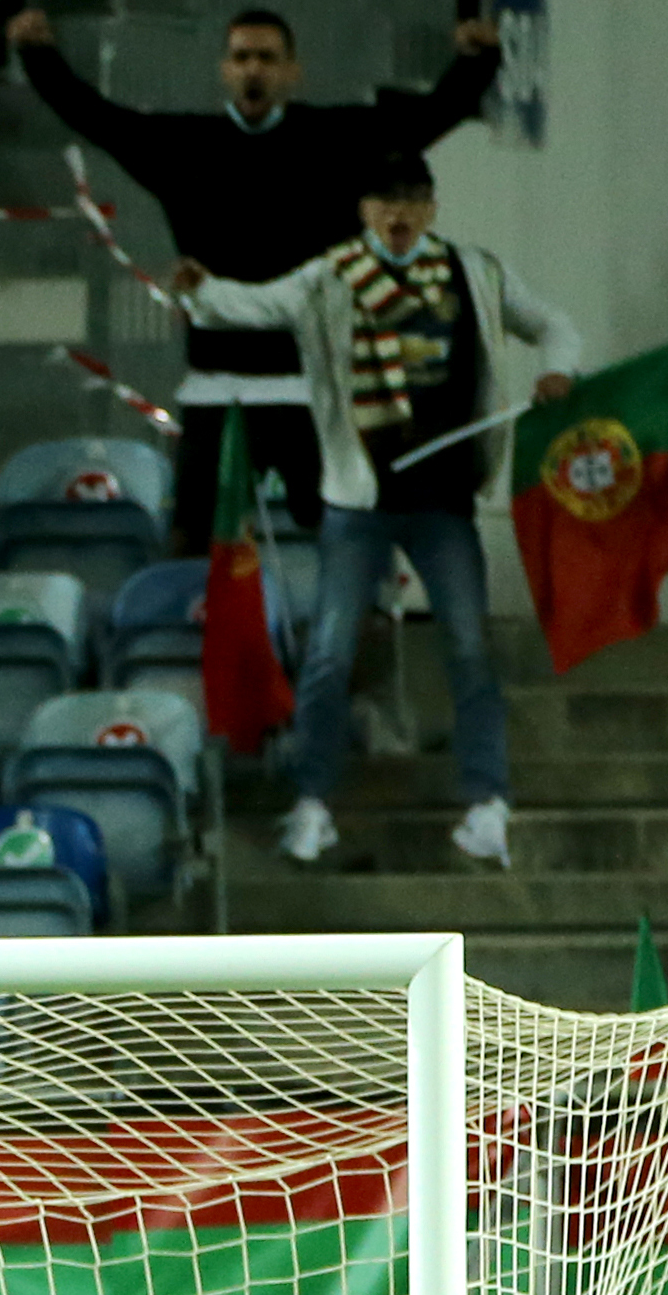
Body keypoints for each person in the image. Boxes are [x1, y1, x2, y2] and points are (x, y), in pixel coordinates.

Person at [177, 159, 580, 870]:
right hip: (356, 502)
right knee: (330, 653)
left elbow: (553, 324)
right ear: (364, 208)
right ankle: (311, 806)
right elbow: (254, 305)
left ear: (431, 207)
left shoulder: (475, 272)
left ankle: (489, 804)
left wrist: (559, 371)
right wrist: (201, 292)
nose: (398, 214)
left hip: (445, 499)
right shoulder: (329, 277)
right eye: (385, 200)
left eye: (412, 200)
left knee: (469, 649)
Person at [7, 4, 504, 551]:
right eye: (242, 57)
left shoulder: (336, 140)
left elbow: (426, 120)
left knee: (344, 541)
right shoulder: (184, 148)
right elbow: (95, 117)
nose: (253, 70)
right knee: (191, 542)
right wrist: (38, 54)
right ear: (224, 68)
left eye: (267, 58)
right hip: (216, 388)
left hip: (312, 386)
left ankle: (348, 635)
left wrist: (477, 61)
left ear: (292, 71)